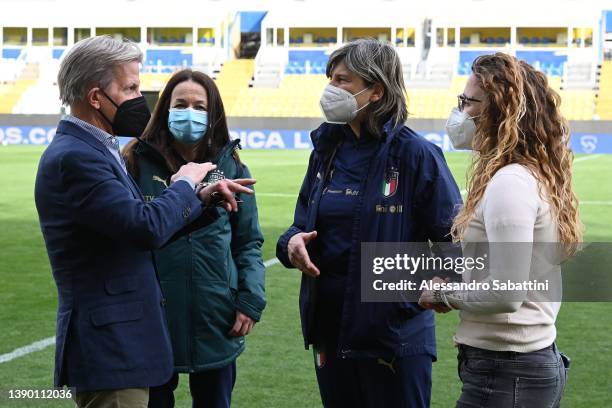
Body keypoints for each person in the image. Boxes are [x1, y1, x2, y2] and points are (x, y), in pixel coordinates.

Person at [34, 36, 254, 408]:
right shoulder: (77, 156)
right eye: (131, 87)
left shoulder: (96, 150)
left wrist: (200, 200)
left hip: (126, 347)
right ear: (95, 97)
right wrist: (186, 182)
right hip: (112, 350)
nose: (140, 98)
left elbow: (132, 230)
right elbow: (144, 227)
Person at [276, 38, 462, 408]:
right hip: (330, 333)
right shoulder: (326, 152)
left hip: (394, 339)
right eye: (331, 78)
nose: (331, 88)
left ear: (376, 90)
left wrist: (418, 293)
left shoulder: (416, 155)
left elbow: (456, 244)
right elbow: (299, 226)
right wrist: (291, 244)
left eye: (343, 80)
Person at [419, 53, 580, 407]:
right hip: (510, 366)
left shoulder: (511, 182)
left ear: (501, 111)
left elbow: (507, 293)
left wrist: (443, 294)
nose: (459, 111)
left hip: (508, 369)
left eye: (468, 101)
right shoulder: (520, 176)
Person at [123, 69, 266, 408]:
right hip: (153, 317)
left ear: (213, 113)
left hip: (216, 314)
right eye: (181, 104)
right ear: (165, 109)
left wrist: (250, 299)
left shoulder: (232, 167)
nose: (190, 112)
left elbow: (247, 242)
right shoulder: (134, 162)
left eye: (200, 106)